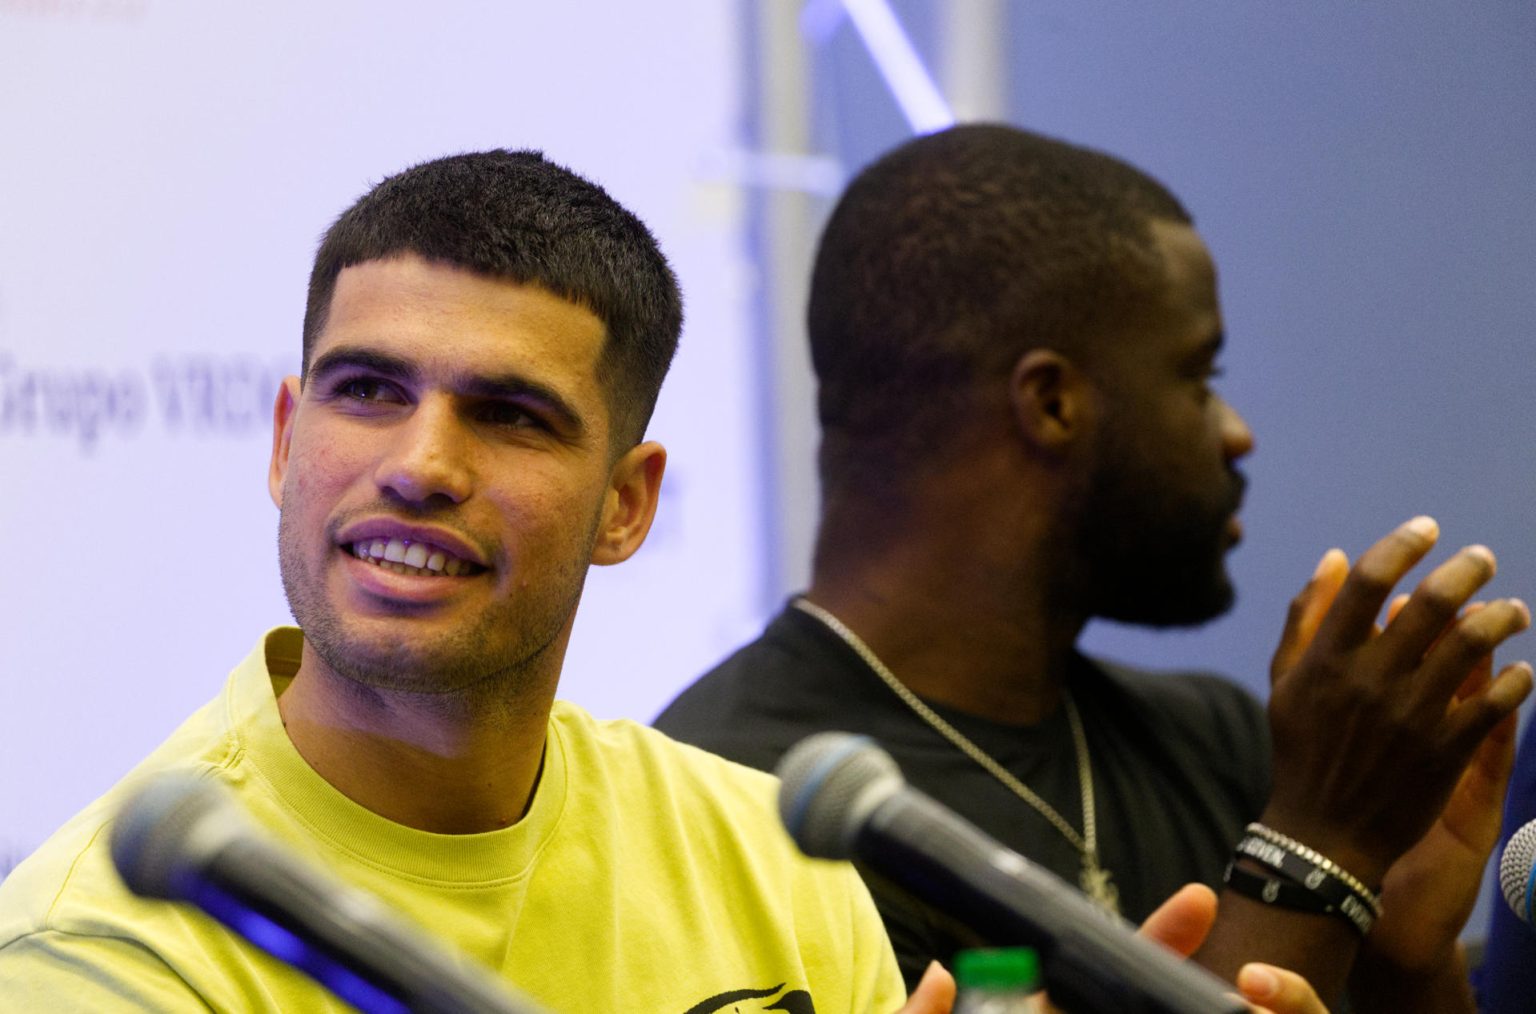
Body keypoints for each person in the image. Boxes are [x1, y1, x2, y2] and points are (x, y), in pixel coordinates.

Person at [0, 149, 910, 1012]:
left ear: (625, 504)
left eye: (509, 414)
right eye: (366, 390)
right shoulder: (106, 941)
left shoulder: (772, 860)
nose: (421, 465)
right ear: (285, 441)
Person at [653, 124, 1532, 1011]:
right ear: (1052, 404)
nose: (1236, 432)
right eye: (1198, 375)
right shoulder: (744, 805)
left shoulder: (1219, 742)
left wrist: (1405, 956)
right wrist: (1322, 845)